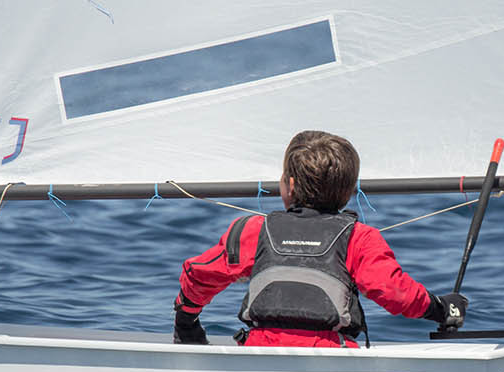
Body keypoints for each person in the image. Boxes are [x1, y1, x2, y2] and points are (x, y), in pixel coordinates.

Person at [172, 130, 468, 348]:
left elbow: (198, 274)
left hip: (260, 355)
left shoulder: (253, 230)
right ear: (350, 191)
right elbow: (394, 292)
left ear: (288, 184)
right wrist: (441, 308)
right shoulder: (360, 238)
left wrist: (186, 323)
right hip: (333, 360)